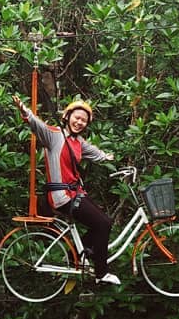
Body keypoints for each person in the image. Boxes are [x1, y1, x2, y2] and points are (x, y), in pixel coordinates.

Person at [11, 96, 121, 286]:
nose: (79, 122)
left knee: (104, 223)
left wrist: (109, 157)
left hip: (75, 194)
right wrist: (25, 111)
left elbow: (96, 153)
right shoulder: (54, 135)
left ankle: (76, 255)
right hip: (61, 196)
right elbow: (37, 125)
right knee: (103, 224)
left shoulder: (79, 142)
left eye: (84, 121)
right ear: (67, 116)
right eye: (76, 118)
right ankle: (101, 273)